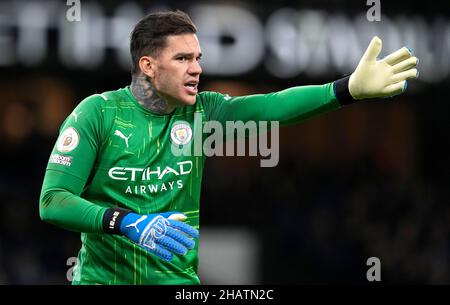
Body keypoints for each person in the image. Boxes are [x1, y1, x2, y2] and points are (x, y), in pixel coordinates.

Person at [39, 10, 418, 285]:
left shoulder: (205, 113)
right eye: (183, 58)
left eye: (198, 58)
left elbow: (272, 107)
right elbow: (53, 201)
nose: (196, 69)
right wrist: (125, 222)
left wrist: (346, 89)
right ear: (148, 66)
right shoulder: (97, 114)